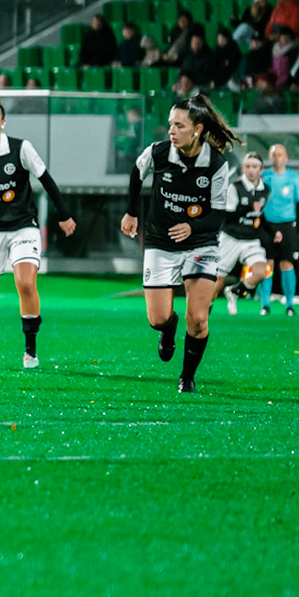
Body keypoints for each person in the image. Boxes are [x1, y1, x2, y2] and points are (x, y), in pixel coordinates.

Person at [121, 95, 241, 393]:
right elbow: (136, 174)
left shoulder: (215, 163)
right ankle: (168, 329)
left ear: (197, 129)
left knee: (198, 319)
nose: (171, 130)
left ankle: (187, 377)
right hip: (161, 244)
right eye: (170, 124)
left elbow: (218, 215)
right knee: (157, 318)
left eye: (179, 125)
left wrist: (192, 226)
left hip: (201, 245)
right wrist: (131, 211)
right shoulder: (158, 153)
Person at [0, 100, 75, 369]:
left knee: (25, 283)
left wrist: (64, 215)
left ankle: (30, 351)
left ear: (2, 123)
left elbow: (46, 180)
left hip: (23, 226)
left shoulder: (20, 148)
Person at [210, 153, 270, 315]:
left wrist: (273, 233)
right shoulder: (235, 188)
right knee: (217, 282)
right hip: (231, 238)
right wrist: (248, 208)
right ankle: (204, 311)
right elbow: (228, 217)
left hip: (251, 239)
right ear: (243, 168)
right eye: (248, 167)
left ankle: (235, 291)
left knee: (261, 271)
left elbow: (260, 216)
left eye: (255, 167)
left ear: (261, 169)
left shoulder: (265, 190)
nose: (251, 170)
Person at [258, 142, 299, 317]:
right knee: (267, 264)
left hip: (288, 225)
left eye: (280, 154)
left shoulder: (294, 178)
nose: (277, 157)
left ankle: (289, 304)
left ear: (286, 158)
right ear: (270, 157)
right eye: (274, 154)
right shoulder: (264, 177)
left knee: (287, 263)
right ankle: (265, 304)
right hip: (267, 225)